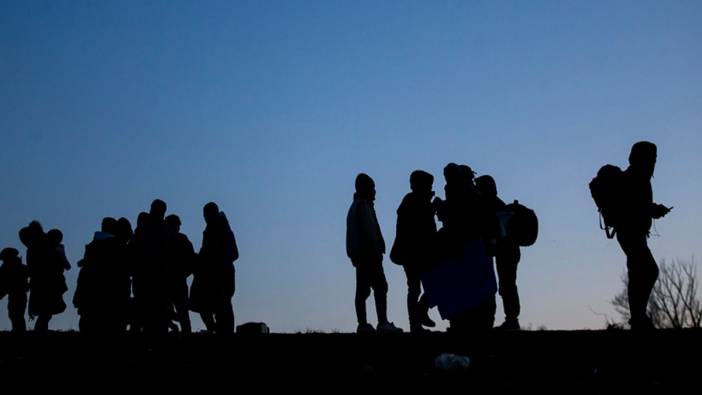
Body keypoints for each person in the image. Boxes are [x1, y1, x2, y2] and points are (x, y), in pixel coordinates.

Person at [616, 141, 672, 330]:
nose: (653, 162)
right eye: (651, 158)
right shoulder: (635, 177)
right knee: (648, 270)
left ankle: (638, 318)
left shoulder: (638, 177)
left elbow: (638, 205)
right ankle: (638, 317)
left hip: (633, 233)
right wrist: (654, 210)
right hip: (629, 232)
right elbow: (634, 205)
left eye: (654, 159)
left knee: (638, 272)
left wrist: (652, 210)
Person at [346, 173, 402, 333]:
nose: (374, 192)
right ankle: (381, 323)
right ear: (365, 188)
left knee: (363, 290)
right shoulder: (363, 206)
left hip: (361, 254)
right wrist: (377, 249)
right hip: (369, 254)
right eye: (372, 188)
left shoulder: (356, 206)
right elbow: (370, 230)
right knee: (380, 286)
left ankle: (363, 324)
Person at [390, 170, 437, 332]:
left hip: (419, 253)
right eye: (428, 185)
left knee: (429, 286)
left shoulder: (417, 201)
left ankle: (418, 315)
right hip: (413, 254)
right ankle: (415, 321)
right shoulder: (412, 201)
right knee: (416, 288)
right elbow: (420, 226)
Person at [476, 175, 521, 330]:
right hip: (508, 250)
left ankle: (512, 320)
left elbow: (494, 230)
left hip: (506, 250)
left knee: (506, 284)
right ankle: (511, 319)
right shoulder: (496, 203)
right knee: (507, 284)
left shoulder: (491, 204)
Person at [190, 202, 238, 333]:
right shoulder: (226, 231)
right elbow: (235, 254)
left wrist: (211, 262)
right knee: (222, 306)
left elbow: (209, 253)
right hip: (225, 273)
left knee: (210, 305)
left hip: (217, 275)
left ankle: (217, 330)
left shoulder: (214, 230)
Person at [0, 248, 29, 332]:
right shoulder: (20, 267)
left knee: (15, 315)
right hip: (20, 295)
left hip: (17, 295)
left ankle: (18, 331)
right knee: (16, 315)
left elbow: (5, 284)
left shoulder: (8, 268)